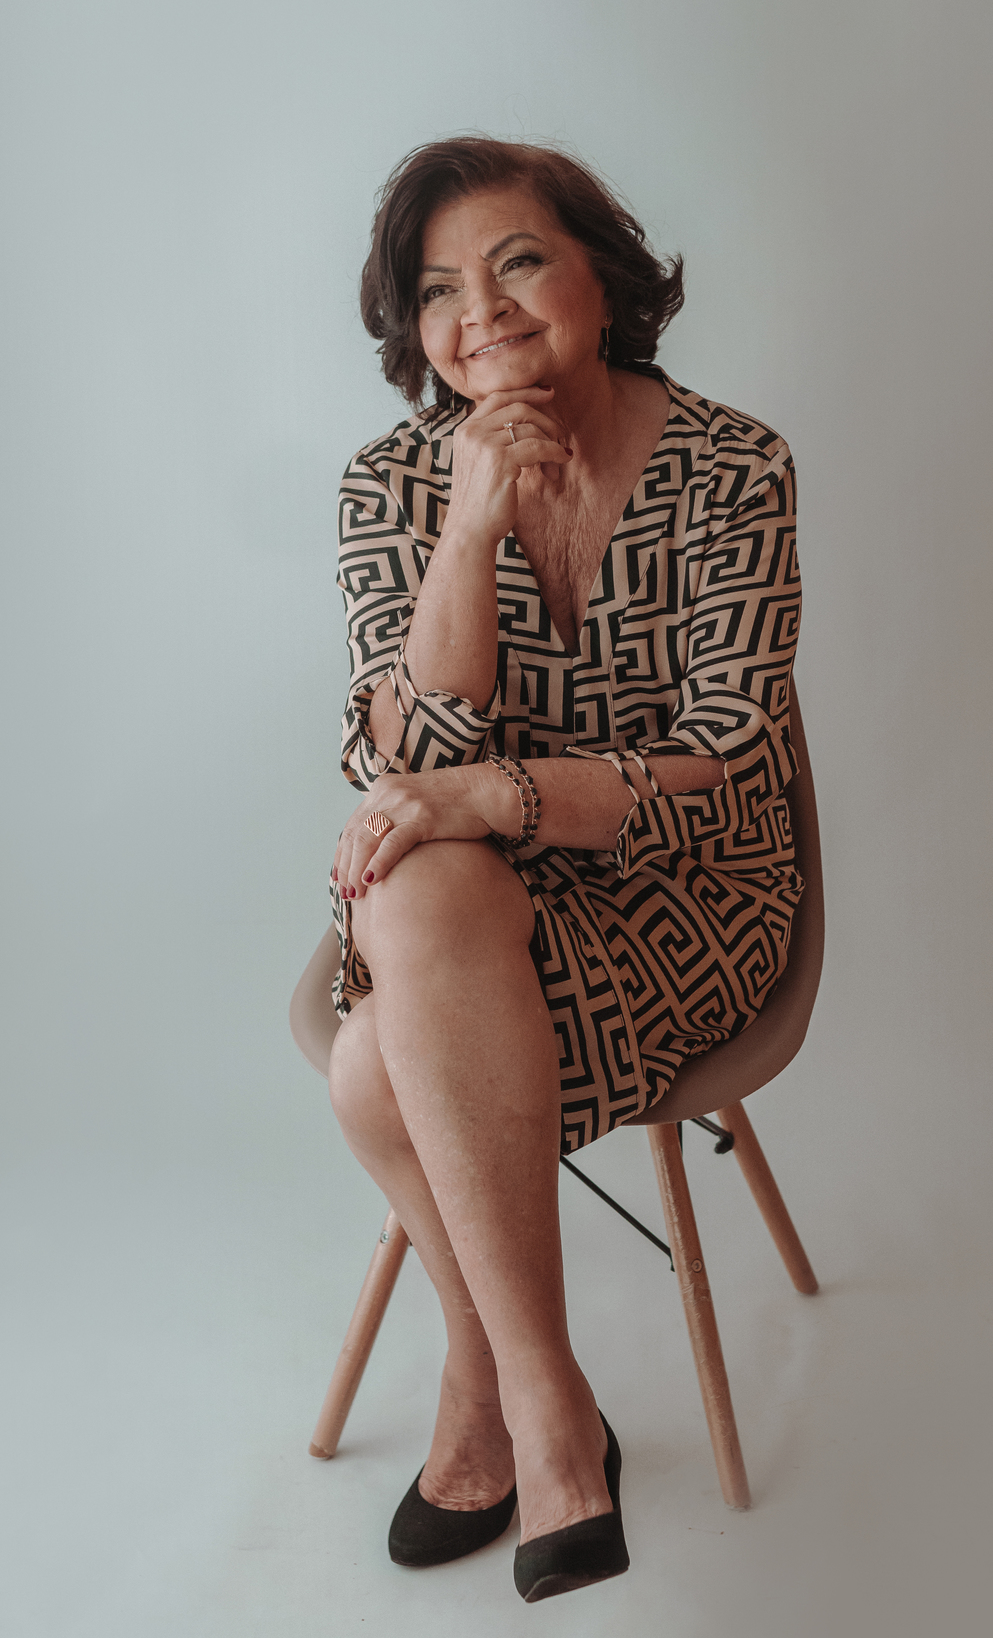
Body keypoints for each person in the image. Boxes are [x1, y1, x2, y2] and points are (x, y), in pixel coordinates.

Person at [326, 137, 802, 1602]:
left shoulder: (736, 466)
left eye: (518, 261)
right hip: (463, 902)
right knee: (423, 891)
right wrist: (469, 527)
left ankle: (480, 1388)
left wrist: (500, 794)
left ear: (603, 272)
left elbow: (725, 762)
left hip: (689, 894)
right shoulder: (390, 484)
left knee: (374, 1068)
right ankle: (549, 1407)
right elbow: (406, 753)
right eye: (437, 290)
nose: (480, 312)